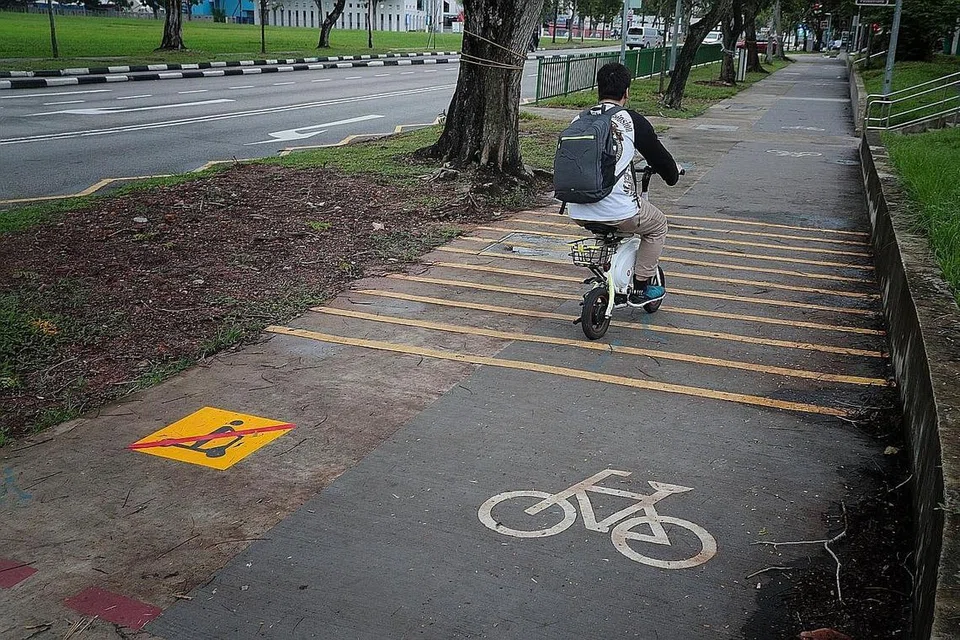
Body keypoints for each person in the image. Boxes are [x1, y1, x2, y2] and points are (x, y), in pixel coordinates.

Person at [566, 62, 680, 307]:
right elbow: (660, 158)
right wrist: (673, 175)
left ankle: (607, 279)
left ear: (598, 90)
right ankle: (640, 287)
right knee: (657, 225)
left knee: (611, 227)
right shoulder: (630, 121)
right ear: (626, 92)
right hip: (619, 211)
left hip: (577, 209)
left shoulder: (580, 119)